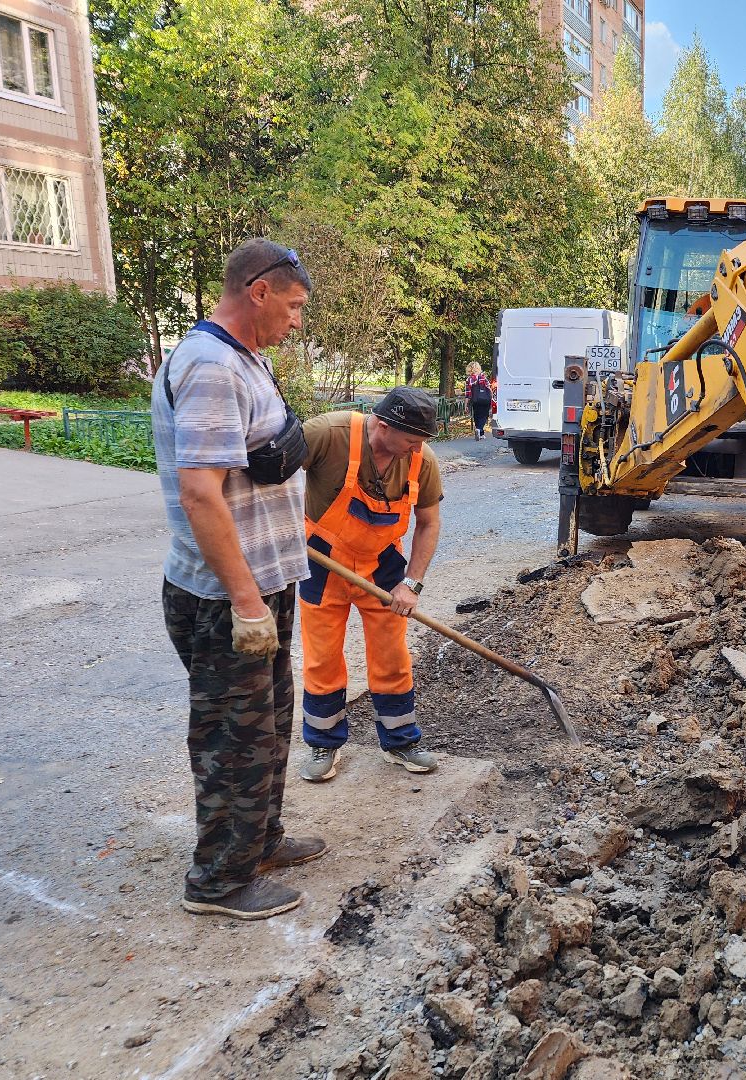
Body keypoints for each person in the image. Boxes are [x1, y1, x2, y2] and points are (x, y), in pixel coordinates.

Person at [152, 238, 326, 921]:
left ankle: (260, 842)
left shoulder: (247, 361)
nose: (297, 319)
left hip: (265, 586)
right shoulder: (209, 366)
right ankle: (220, 881)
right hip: (227, 598)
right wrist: (247, 601)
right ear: (258, 291)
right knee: (233, 737)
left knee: (269, 725)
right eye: (294, 304)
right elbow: (201, 493)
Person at [297, 387, 444, 782]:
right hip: (323, 561)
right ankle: (323, 744)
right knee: (322, 658)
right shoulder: (328, 434)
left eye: (421, 442)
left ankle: (400, 742)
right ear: (383, 425)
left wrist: (411, 584)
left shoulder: (421, 461)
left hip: (382, 566)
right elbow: (269, 473)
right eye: (412, 440)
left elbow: (429, 524)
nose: (417, 450)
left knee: (392, 657)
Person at [464, 361, 492, 440]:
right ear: (478, 368)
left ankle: (481, 433)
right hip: (485, 400)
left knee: (477, 416)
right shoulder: (483, 378)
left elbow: (468, 394)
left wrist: (466, 405)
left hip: (475, 400)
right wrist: (492, 398)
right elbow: (489, 389)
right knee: (484, 416)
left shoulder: (468, 380)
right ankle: (479, 429)